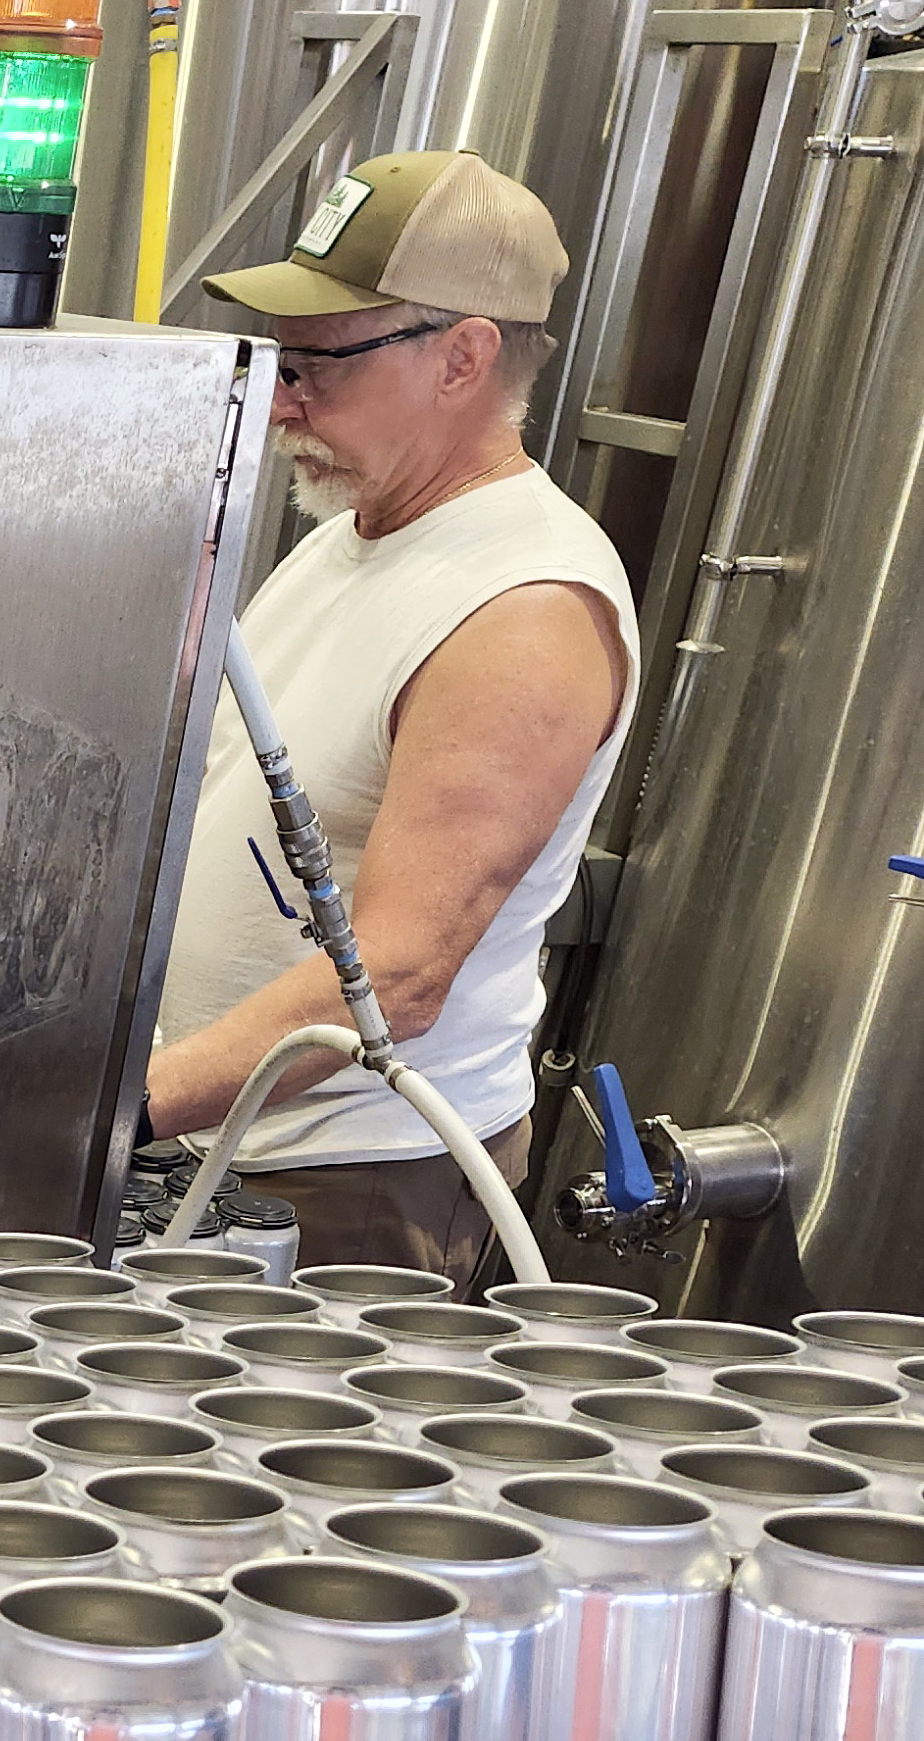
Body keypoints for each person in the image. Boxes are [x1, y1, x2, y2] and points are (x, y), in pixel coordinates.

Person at [147, 150, 636, 1280]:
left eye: (320, 363)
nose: (281, 399)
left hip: (351, 1181)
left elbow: (400, 976)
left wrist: (120, 1106)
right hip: (224, 1141)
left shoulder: (522, 607)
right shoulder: (352, 535)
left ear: (463, 355)